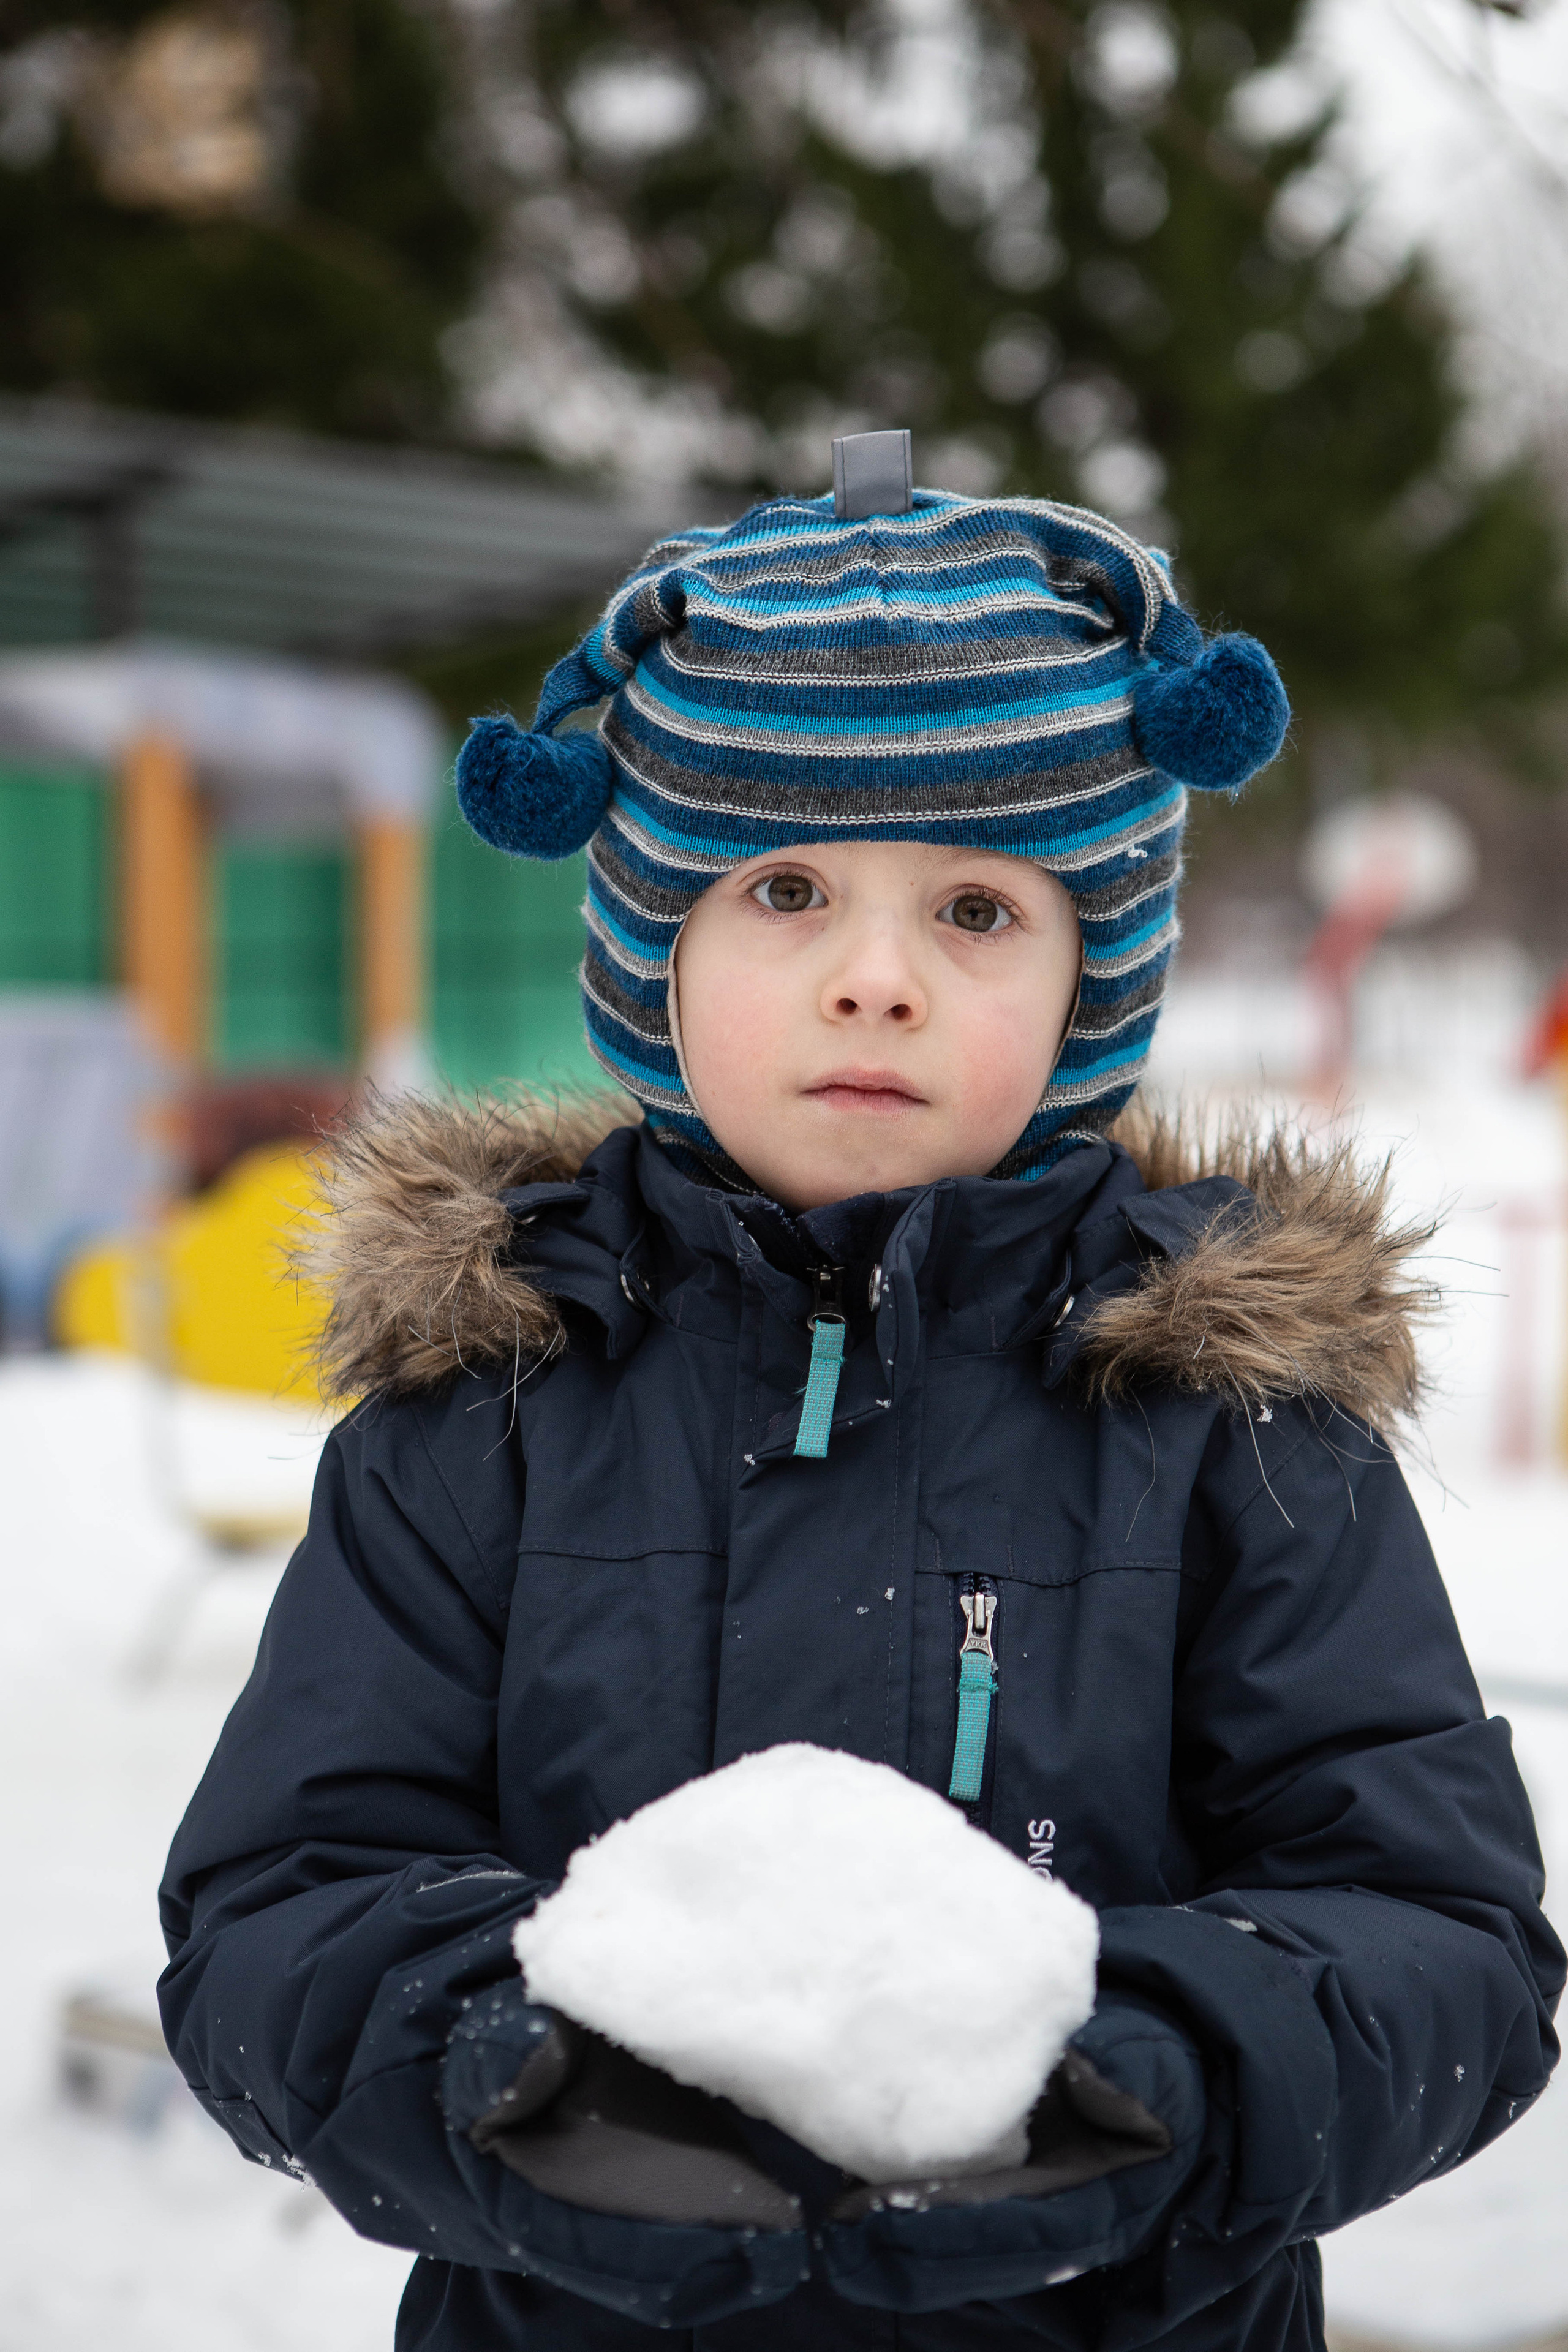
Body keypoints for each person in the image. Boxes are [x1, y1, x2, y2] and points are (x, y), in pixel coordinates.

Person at [159, 455, 1562, 2352]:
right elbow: (284, 1902)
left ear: (1096, 982)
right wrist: (515, 2090)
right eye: (787, 889)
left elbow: (1438, 1933)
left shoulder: (1234, 1421)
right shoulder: (480, 1407)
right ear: (655, 951)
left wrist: (1153, 2090)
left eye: (980, 911)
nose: (876, 983)